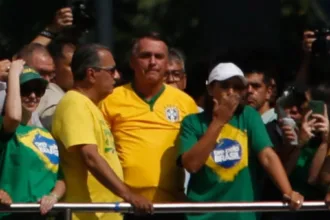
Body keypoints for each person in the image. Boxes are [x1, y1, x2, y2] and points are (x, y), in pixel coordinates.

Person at [177, 62, 304, 220]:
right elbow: (192, 165)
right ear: (210, 89)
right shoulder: (192, 122)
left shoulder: (248, 115)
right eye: (224, 86)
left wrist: (288, 191)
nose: (231, 92)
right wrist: (219, 122)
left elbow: (267, 156)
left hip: (242, 215)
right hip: (202, 216)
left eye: (237, 87)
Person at [99, 32, 198, 220]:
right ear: (132, 62)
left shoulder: (185, 103)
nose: (153, 62)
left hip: (171, 207)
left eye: (159, 56)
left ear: (167, 62)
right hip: (124, 207)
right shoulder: (110, 99)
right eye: (145, 56)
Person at [52, 44, 153, 220]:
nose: (117, 76)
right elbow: (90, 157)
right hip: (86, 215)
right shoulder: (74, 104)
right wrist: (128, 194)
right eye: (111, 70)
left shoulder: (90, 106)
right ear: (91, 74)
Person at [0, 61, 65, 219]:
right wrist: (14, 75)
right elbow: (14, 117)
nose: (33, 96)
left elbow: (60, 179)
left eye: (38, 90)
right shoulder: (5, 126)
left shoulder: (47, 134)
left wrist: (53, 196)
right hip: (11, 215)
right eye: (25, 90)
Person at [37, 38, 77, 130]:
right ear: (53, 68)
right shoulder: (51, 101)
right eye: (72, 66)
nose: (78, 70)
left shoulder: (67, 97)